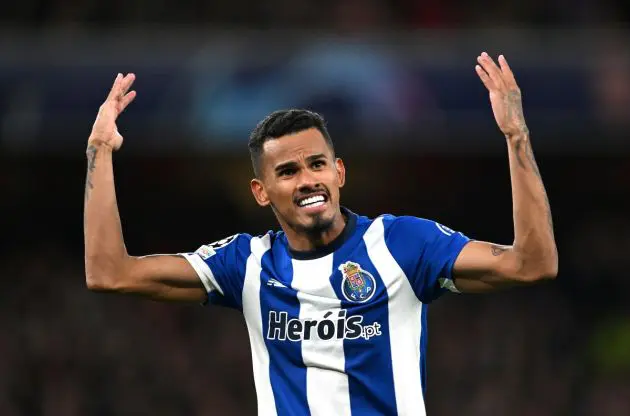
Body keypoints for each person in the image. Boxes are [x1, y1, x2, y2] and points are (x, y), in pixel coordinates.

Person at [84, 52, 558, 415]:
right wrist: (99, 152)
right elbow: (109, 273)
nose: (308, 179)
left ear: (339, 172)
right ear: (261, 191)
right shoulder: (246, 264)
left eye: (317, 164)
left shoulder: (401, 245)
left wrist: (517, 137)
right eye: (287, 171)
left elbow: (532, 264)